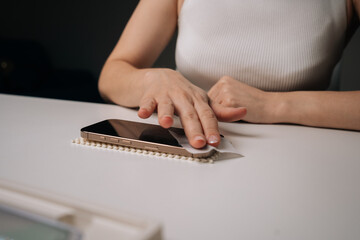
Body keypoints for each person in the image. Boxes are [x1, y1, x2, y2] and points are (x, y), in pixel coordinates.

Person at [99, 0, 360, 149]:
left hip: (300, 164)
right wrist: (153, 79)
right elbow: (111, 75)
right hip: (185, 151)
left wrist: (274, 105)